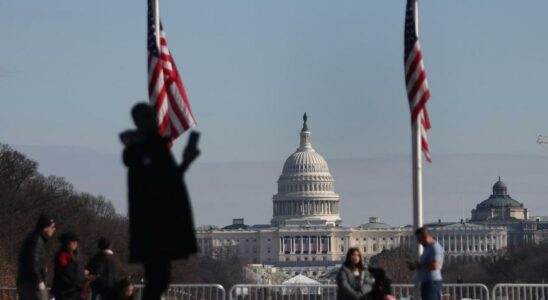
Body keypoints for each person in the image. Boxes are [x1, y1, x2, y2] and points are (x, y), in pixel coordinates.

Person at [121, 103, 199, 300]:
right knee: (157, 280)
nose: (155, 119)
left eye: (154, 115)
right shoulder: (142, 149)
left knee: (159, 279)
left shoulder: (152, 146)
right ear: (139, 121)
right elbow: (159, 183)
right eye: (149, 116)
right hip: (154, 224)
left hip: (159, 222)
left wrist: (185, 163)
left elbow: (168, 180)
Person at [17, 214, 56, 300]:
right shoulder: (36, 240)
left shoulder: (35, 238)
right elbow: (33, 263)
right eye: (52, 226)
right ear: (45, 227)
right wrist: (40, 282)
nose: (54, 229)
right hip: (32, 285)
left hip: (27, 283)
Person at [406, 227, 445, 300]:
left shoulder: (435, 248)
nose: (419, 242)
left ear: (425, 237)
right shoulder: (428, 248)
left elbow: (435, 266)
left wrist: (418, 265)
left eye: (419, 239)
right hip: (427, 283)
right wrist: (414, 265)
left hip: (432, 283)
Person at [51, 231, 85, 300]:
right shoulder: (62, 256)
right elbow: (65, 274)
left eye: (76, 242)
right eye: (73, 242)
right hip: (66, 292)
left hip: (75, 292)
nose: (75, 244)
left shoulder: (76, 256)